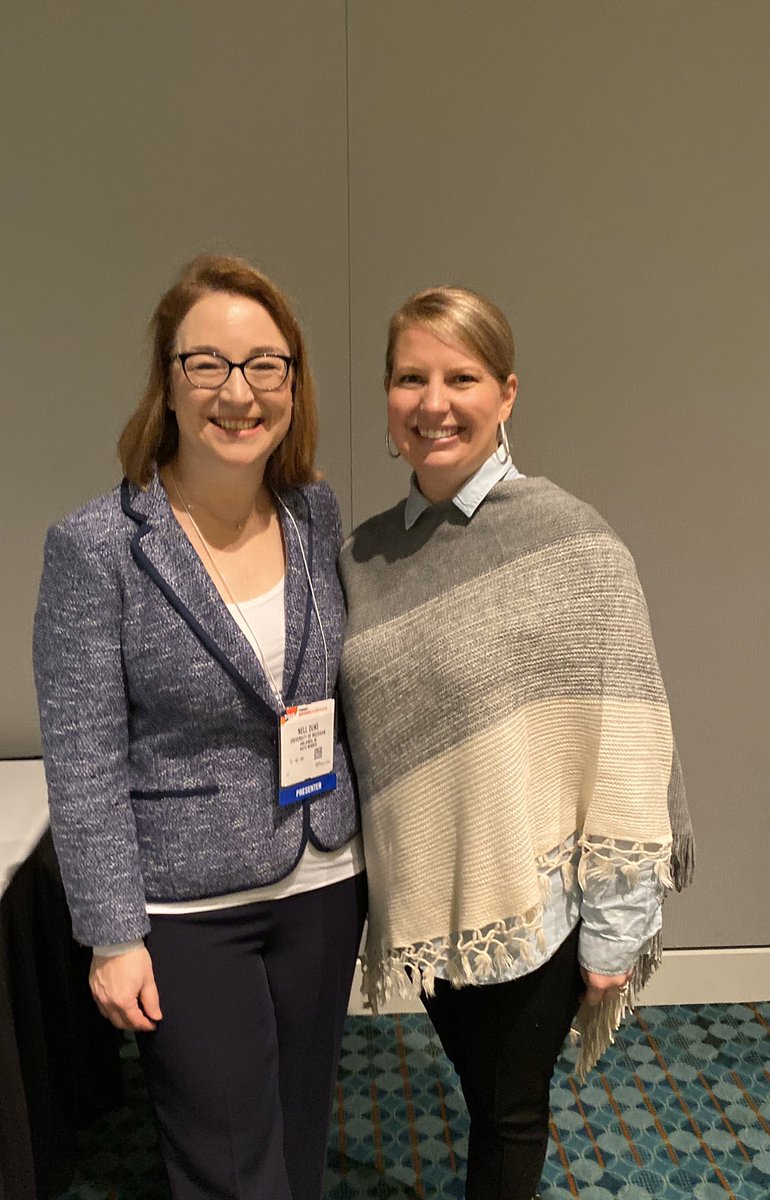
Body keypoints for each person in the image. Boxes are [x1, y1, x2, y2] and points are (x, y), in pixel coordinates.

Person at [338, 285, 694, 1200]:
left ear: (506, 393)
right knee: (480, 1089)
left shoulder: (573, 544)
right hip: (428, 902)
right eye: (411, 377)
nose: (434, 401)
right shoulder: (365, 557)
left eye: (461, 376)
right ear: (386, 397)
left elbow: (622, 750)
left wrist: (615, 937)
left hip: (534, 912)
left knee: (507, 1117)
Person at [33, 254, 367, 1200]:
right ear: (168, 384)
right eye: (208, 364)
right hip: (184, 909)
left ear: (293, 386)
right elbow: (85, 756)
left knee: (298, 1146)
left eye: (266, 365)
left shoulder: (312, 514)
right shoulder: (97, 547)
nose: (238, 392)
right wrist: (111, 934)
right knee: (228, 1169)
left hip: (322, 880)